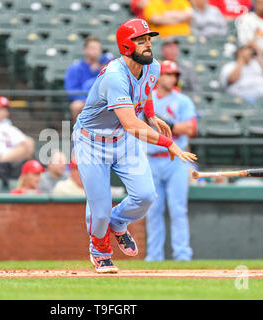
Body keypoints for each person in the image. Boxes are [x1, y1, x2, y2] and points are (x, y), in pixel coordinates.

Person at [72, 18, 197, 273]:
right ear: (127, 46)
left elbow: (145, 91)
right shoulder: (114, 77)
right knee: (100, 210)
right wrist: (167, 143)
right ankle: (100, 250)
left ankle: (118, 223)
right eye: (141, 41)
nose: (148, 45)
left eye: (149, 39)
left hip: (121, 139)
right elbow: (131, 124)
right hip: (92, 141)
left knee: (146, 196)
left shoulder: (153, 68)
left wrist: (151, 116)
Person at [144, 60, 197, 261]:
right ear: (159, 77)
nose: (172, 78)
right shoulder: (149, 100)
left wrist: (166, 125)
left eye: (174, 74)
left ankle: (182, 255)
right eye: (168, 74)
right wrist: (172, 127)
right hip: (152, 158)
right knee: (153, 211)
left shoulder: (182, 100)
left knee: (178, 209)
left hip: (175, 159)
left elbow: (190, 129)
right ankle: (154, 256)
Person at [64, 37, 114, 123]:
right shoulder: (75, 68)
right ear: (85, 50)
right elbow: (71, 91)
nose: (95, 51)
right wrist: (88, 100)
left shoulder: (105, 67)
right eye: (92, 48)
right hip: (84, 101)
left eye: (98, 49)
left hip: (103, 101)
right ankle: (79, 133)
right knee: (76, 106)